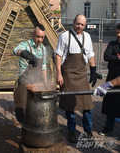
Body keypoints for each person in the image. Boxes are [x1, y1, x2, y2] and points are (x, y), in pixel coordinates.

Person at [55, 14, 97, 143]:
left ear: (85, 25)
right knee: (69, 106)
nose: (79, 26)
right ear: (73, 22)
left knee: (87, 105)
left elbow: (90, 55)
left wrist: (93, 70)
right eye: (77, 23)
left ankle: (88, 131)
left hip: (81, 74)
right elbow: (58, 55)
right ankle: (72, 131)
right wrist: (59, 74)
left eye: (82, 25)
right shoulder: (64, 36)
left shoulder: (87, 36)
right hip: (68, 74)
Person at [13, 23, 47, 123]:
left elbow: (43, 68)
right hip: (24, 84)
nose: (39, 40)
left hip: (36, 85)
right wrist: (26, 54)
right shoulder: (25, 45)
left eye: (42, 37)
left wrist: (45, 85)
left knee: (35, 111)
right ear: (33, 34)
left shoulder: (43, 49)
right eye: (38, 36)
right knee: (22, 111)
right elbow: (15, 50)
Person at [94, 23, 120, 136]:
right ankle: (108, 127)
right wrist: (118, 58)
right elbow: (106, 56)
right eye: (117, 32)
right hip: (112, 76)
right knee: (110, 104)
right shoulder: (112, 43)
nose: (118, 34)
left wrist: (114, 58)